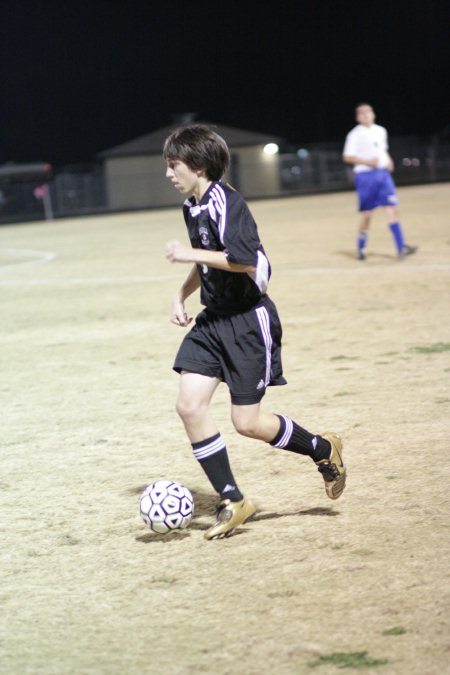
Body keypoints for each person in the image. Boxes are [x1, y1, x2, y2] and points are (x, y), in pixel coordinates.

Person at [163, 124, 346, 540]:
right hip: (213, 321)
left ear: (198, 165)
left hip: (248, 321)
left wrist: (187, 253)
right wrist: (181, 295)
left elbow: (242, 258)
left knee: (246, 422)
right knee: (189, 407)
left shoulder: (229, 202)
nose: (169, 174)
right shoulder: (193, 206)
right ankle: (233, 498)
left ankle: (321, 448)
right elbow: (208, 260)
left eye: (174, 165)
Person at [343, 103, 417, 261]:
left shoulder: (381, 130)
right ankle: (361, 248)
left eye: (368, 112)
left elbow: (381, 149)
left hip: (383, 175)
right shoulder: (354, 135)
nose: (365, 115)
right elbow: (347, 156)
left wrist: (388, 160)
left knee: (392, 208)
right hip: (365, 176)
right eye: (361, 113)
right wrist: (367, 162)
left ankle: (400, 247)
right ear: (357, 117)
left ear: (373, 114)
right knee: (367, 214)